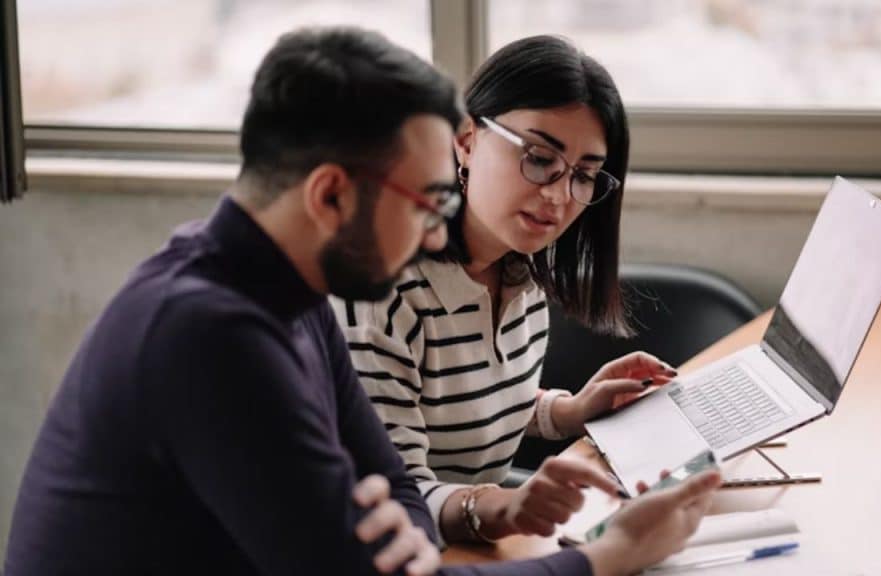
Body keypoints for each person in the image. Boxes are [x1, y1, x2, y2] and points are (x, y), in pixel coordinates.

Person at [4, 27, 720, 576]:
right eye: (428, 200)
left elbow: (396, 491)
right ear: (331, 195)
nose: (438, 227)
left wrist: (393, 530)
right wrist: (606, 555)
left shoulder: (295, 294)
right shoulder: (209, 334)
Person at [335, 35, 679, 544]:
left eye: (584, 175)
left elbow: (468, 403)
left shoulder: (519, 271)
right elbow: (394, 496)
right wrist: (503, 508)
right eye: (540, 158)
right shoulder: (381, 293)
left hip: (472, 547)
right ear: (466, 140)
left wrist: (569, 412)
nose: (560, 197)